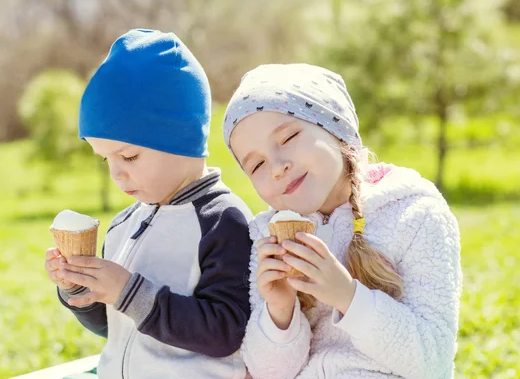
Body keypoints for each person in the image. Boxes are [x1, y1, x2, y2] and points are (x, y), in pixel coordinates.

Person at [223, 63, 462, 378]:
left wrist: (345, 295)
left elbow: (433, 362)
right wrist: (279, 311)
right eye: (256, 165)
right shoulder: (267, 239)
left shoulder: (415, 215)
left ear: (336, 129)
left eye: (289, 137)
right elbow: (269, 373)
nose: (277, 167)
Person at [44, 29, 253, 379]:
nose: (117, 175)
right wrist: (78, 287)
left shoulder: (222, 221)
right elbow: (117, 328)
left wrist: (129, 291)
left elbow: (227, 331)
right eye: (105, 159)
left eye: (128, 156)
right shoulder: (125, 223)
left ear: (181, 139)